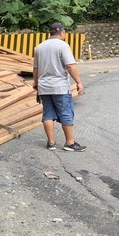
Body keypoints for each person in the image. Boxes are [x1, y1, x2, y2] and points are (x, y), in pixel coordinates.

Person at [32, 23, 86, 152]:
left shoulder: (39, 47)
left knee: (48, 114)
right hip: (60, 87)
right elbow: (70, 66)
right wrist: (79, 82)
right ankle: (70, 143)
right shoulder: (63, 45)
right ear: (62, 32)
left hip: (44, 87)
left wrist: (36, 83)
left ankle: (51, 143)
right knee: (66, 113)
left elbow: (35, 68)